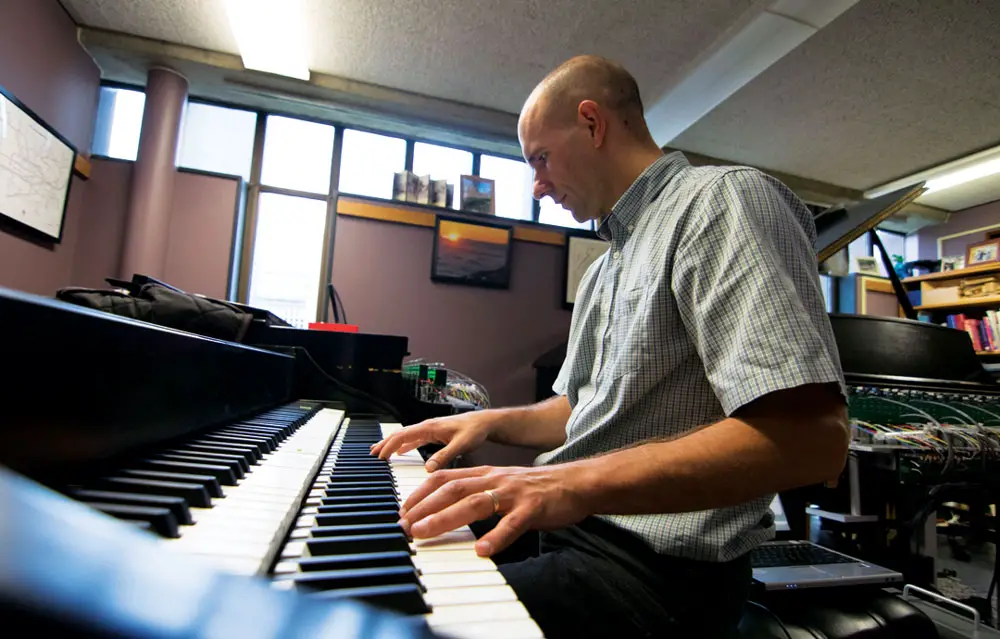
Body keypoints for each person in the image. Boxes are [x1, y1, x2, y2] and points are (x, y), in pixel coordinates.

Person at [371, 55, 849, 638]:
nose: (538, 186)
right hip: (577, 542)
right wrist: (491, 422)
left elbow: (810, 439)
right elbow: (582, 407)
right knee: (380, 569)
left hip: (657, 578)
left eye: (540, 159)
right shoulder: (605, 269)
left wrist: (565, 482)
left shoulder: (721, 203)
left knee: (388, 623)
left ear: (593, 123)